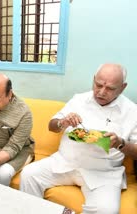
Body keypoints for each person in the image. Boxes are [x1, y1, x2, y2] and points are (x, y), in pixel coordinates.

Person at [19, 64, 137, 214]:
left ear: (122, 87)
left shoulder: (132, 112)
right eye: (98, 85)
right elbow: (52, 126)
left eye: (110, 88)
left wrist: (120, 144)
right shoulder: (79, 99)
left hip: (102, 173)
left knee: (106, 210)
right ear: (94, 79)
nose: (101, 92)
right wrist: (62, 122)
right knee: (29, 175)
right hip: (64, 162)